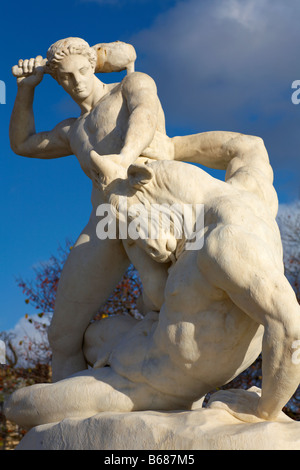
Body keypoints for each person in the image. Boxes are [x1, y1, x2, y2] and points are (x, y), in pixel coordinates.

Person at [8, 36, 284, 386]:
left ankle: (179, 396)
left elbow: (145, 114)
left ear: (92, 64)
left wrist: (123, 159)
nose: (75, 83)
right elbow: (23, 143)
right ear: (56, 78)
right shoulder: (71, 130)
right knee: (62, 334)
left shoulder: (131, 85)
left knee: (166, 300)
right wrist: (26, 90)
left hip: (153, 194)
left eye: (80, 72)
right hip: (108, 220)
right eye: (64, 77)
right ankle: (70, 415)